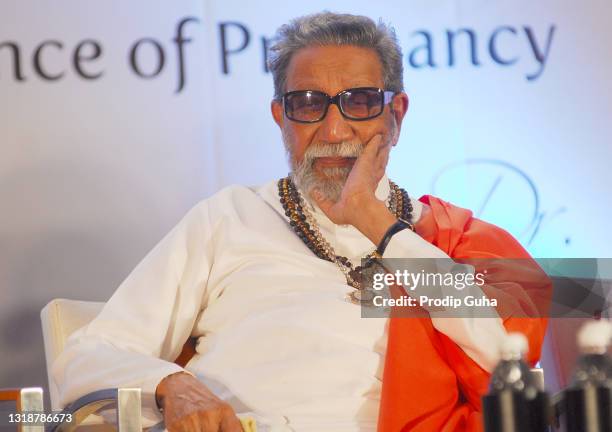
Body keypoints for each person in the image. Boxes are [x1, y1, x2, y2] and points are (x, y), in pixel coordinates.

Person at [52, 12, 548, 432]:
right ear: (280, 118)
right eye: (307, 104)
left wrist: (377, 224)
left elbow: (504, 355)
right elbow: (89, 355)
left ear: (396, 115)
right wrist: (171, 386)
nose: (333, 130)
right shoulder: (228, 218)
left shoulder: (450, 240)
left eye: (359, 101)